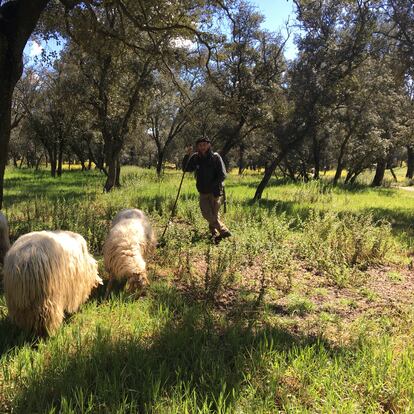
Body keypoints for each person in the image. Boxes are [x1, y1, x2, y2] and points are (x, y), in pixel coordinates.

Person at [182, 137, 231, 241]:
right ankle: (223, 230)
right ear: (197, 147)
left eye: (204, 145)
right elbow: (186, 169)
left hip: (215, 192)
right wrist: (187, 155)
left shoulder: (215, 157)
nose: (202, 147)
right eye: (200, 145)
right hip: (203, 192)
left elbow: (222, 175)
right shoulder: (196, 158)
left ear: (209, 145)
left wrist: (212, 185)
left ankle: (215, 234)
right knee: (206, 213)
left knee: (213, 214)